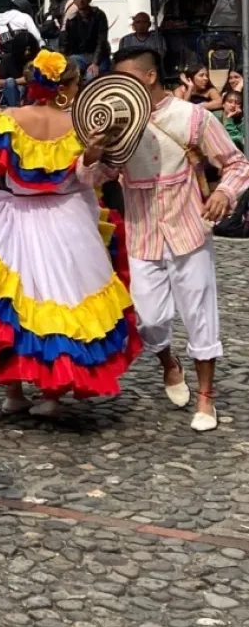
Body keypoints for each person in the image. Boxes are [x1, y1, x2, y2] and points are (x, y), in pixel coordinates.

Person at [0, 50, 140, 418]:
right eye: (77, 85)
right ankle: (50, 393)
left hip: (17, 218)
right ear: (65, 89)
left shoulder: (10, 119)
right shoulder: (79, 128)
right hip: (67, 221)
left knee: (11, 303)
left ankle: (14, 392)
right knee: (61, 305)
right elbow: (87, 174)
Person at [78, 47, 249, 432]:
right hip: (142, 233)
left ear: (150, 76)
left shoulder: (193, 117)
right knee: (150, 319)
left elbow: (237, 163)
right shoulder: (118, 125)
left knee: (201, 313)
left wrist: (224, 193)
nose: (119, 88)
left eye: (127, 78)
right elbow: (89, 179)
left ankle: (207, 396)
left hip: (189, 228)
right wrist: (92, 153)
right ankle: (168, 363)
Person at [62, 0, 110, 82]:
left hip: (98, 55)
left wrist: (95, 63)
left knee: (91, 76)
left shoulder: (99, 16)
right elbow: (66, 43)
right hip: (80, 56)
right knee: (69, 74)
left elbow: (101, 41)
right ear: (74, 1)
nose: (81, 1)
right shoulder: (72, 19)